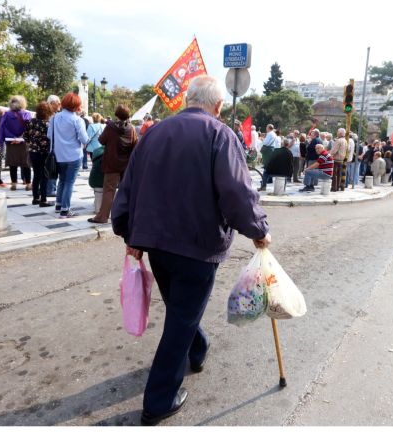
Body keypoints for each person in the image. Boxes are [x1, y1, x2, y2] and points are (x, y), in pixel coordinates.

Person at [110, 75, 270, 426]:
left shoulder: (153, 133)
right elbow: (237, 192)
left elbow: (129, 185)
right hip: (197, 244)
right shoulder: (219, 134)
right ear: (217, 105)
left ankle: (197, 351)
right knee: (181, 319)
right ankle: (158, 401)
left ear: (187, 101)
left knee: (181, 310)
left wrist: (127, 231)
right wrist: (258, 229)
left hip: (156, 243)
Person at [87, 104, 138, 224]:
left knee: (109, 191)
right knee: (126, 191)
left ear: (116, 114)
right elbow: (135, 145)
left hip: (111, 164)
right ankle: (128, 216)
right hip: (126, 165)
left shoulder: (110, 127)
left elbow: (101, 141)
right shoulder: (131, 129)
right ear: (128, 115)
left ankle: (102, 217)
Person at [47, 92, 89, 218]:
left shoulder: (54, 118)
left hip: (58, 155)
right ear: (77, 105)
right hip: (73, 155)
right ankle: (65, 210)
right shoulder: (77, 120)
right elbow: (84, 139)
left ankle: (59, 205)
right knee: (69, 182)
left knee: (62, 180)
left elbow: (49, 135)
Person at [24, 102, 54, 208]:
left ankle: (35, 198)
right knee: (44, 175)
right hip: (44, 152)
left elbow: (25, 137)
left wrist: (33, 143)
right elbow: (51, 138)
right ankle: (43, 199)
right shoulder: (48, 124)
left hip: (33, 152)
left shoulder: (30, 122)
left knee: (36, 175)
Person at [0, 95, 32, 191]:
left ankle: (14, 183)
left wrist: (11, 138)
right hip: (23, 143)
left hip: (11, 143)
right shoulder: (27, 114)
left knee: (13, 164)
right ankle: (28, 184)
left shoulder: (7, 115)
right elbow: (29, 128)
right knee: (26, 163)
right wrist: (20, 137)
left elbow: (2, 128)